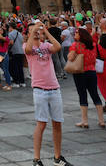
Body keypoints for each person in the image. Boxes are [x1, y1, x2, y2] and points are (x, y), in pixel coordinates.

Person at [25, 22, 71, 166]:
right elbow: (27, 49)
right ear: (28, 34)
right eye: (32, 31)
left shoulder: (46, 46)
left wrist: (45, 30)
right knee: (41, 124)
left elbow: (57, 47)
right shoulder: (28, 47)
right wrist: (32, 33)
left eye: (37, 31)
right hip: (39, 90)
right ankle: (36, 159)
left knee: (57, 123)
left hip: (54, 87)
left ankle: (57, 157)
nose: (36, 33)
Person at [68, 27, 105, 128]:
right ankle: (101, 120)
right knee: (95, 94)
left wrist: (73, 53)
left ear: (81, 35)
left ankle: (85, 121)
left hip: (80, 72)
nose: (75, 34)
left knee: (82, 95)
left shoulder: (75, 45)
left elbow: (70, 58)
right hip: (92, 71)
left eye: (76, 33)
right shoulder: (93, 45)